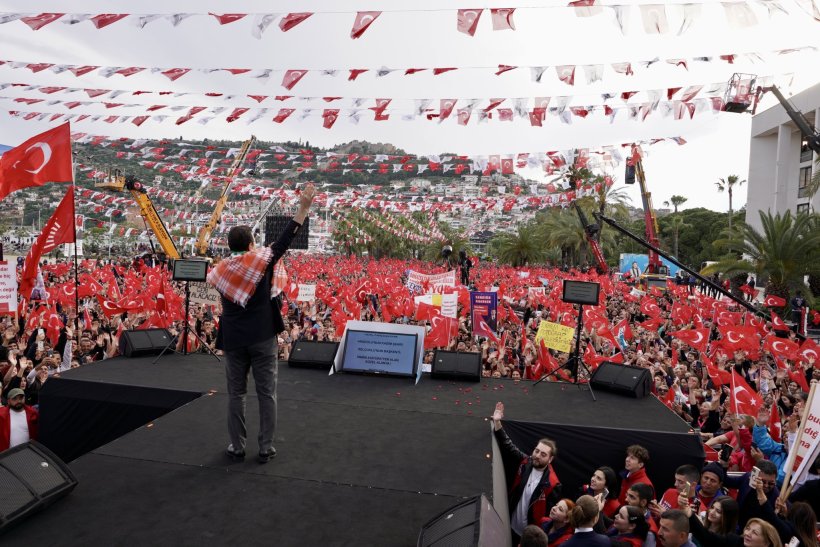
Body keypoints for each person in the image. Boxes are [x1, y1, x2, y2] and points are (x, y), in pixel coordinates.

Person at [207, 184, 315, 463]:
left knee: (236, 394)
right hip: (263, 335)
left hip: (233, 337)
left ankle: (237, 446)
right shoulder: (261, 262)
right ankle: (266, 447)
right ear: (251, 244)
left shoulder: (219, 271)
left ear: (230, 246)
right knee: (267, 393)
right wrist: (302, 209)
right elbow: (283, 242)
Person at [493, 402, 562, 543]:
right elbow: (508, 446)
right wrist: (497, 421)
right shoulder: (527, 462)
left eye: (543, 454)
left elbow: (550, 516)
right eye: (536, 451)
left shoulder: (553, 484)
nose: (537, 455)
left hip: (529, 537)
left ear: (550, 459)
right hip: (509, 526)